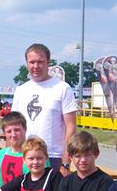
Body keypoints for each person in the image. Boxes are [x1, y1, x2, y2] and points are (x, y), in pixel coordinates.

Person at [11, 43, 77, 173]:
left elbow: (71, 127)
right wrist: (11, 153)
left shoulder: (63, 88)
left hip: (53, 156)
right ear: (27, 63)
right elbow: (13, 126)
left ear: (48, 62)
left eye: (40, 62)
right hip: (25, 155)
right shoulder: (21, 90)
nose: (36, 66)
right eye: (32, 62)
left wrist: (66, 162)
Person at [0, 111, 28, 186]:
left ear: (25, 129)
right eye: (9, 131)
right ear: (4, 133)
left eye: (17, 130)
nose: (13, 135)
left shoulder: (35, 155)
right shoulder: (1, 154)